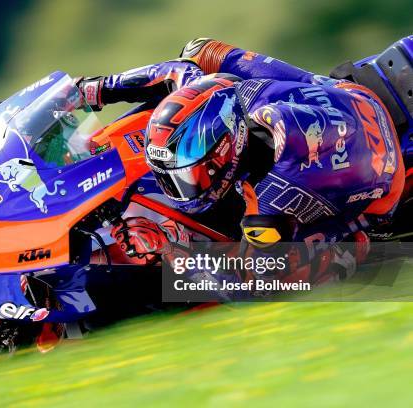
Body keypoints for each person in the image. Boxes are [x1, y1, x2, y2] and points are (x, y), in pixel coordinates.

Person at [76, 38, 406, 270]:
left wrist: (169, 248)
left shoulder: (266, 204)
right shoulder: (234, 96)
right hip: (355, 97)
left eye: (187, 175)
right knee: (199, 51)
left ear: (223, 155)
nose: (179, 188)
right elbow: (178, 71)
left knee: (322, 260)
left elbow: (248, 282)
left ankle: (365, 244)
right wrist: (96, 89)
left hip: (387, 185)